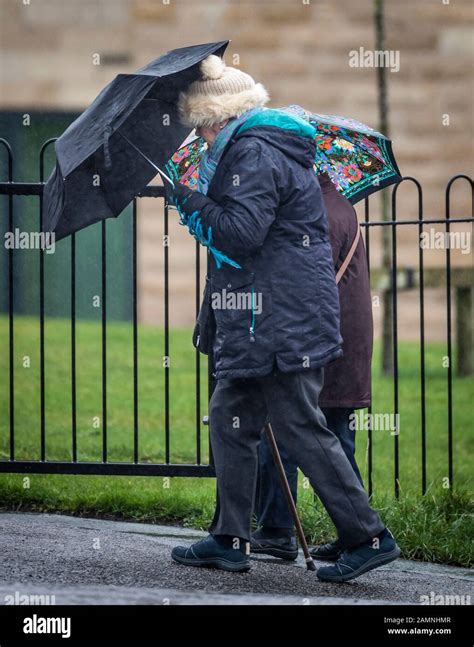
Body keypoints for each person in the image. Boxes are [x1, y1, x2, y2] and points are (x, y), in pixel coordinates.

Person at [170, 55, 399, 582]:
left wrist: (191, 205)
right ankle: (230, 538)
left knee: (300, 426)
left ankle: (369, 536)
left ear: (218, 116)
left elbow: (242, 233)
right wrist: (200, 203)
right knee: (231, 415)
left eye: (201, 126)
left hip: (279, 321)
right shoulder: (254, 148)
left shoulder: (252, 152)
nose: (200, 138)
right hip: (263, 320)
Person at [252, 172, 373, 563]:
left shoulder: (313, 211)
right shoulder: (339, 203)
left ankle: (277, 529)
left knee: (285, 425)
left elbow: (302, 281)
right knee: (336, 437)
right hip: (345, 340)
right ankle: (355, 533)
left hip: (320, 341)